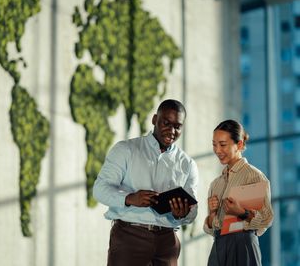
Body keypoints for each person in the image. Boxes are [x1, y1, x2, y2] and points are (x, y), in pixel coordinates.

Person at [93, 99, 198, 266]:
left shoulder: (187, 163)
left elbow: (193, 212)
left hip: (168, 242)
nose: (171, 130)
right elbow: (99, 189)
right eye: (166, 123)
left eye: (177, 126)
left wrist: (183, 213)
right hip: (129, 237)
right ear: (154, 119)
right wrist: (129, 198)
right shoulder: (126, 149)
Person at [204, 119, 274, 266]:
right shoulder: (215, 184)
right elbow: (212, 229)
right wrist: (211, 215)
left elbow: (267, 219)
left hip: (244, 246)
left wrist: (241, 212)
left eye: (223, 145)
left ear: (240, 145)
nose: (217, 150)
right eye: (214, 145)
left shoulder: (254, 176)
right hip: (218, 246)